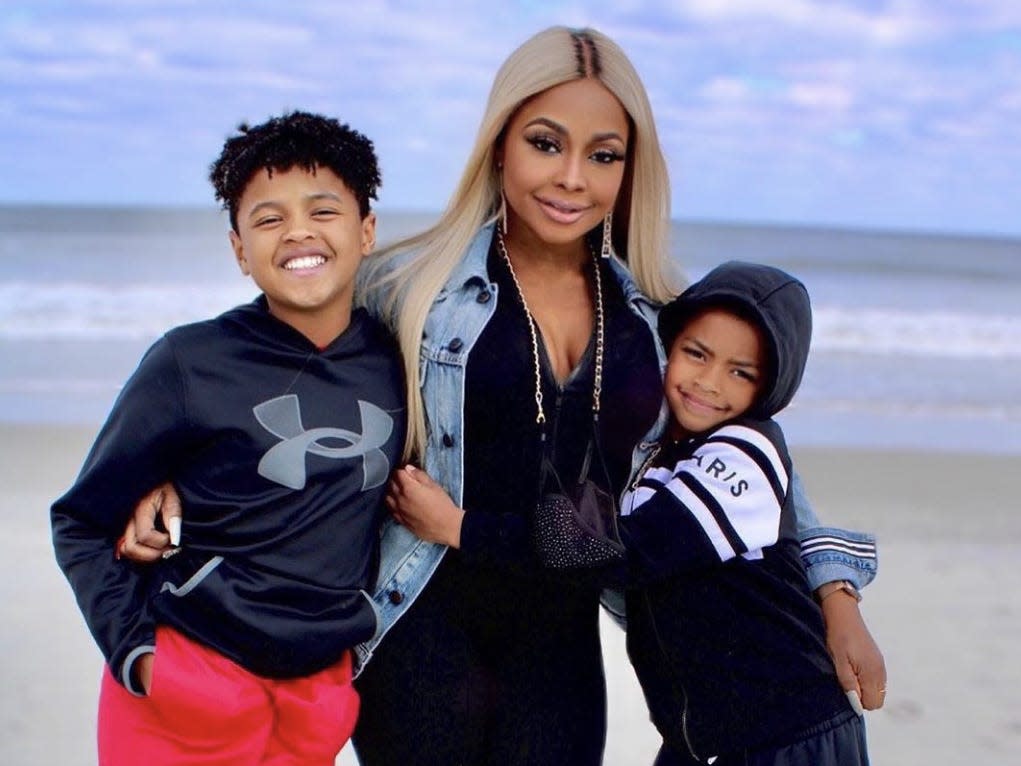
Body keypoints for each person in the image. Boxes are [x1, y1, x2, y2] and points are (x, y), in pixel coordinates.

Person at [121, 27, 884, 766]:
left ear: (629, 169)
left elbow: (744, 453)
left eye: (603, 155)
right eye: (545, 143)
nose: (571, 178)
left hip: (560, 642)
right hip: (420, 636)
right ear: (499, 145)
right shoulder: (406, 284)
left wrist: (834, 589)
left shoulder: (657, 320)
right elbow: (279, 357)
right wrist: (176, 466)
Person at [50, 111, 406, 766]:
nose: (297, 231)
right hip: (185, 692)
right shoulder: (189, 363)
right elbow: (79, 522)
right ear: (240, 250)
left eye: (322, 210)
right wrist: (137, 655)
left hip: (314, 703)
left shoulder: (402, 360)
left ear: (366, 231)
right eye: (267, 219)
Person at [564, 260, 871, 764]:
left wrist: (837, 592)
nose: (708, 382)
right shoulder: (679, 446)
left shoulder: (743, 447)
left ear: (767, 390)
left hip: (784, 731)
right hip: (703, 731)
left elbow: (625, 550)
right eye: (696, 355)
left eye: (740, 373)